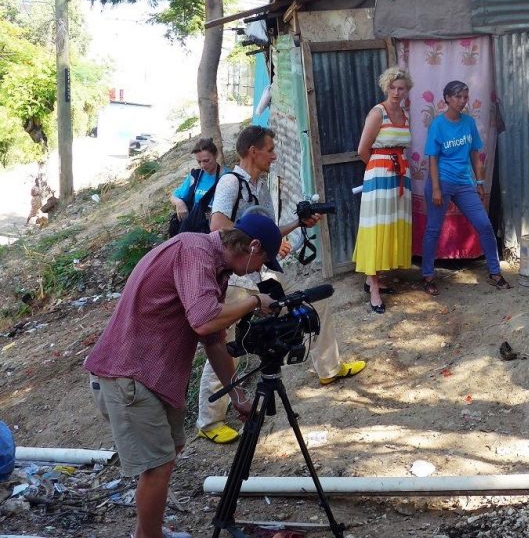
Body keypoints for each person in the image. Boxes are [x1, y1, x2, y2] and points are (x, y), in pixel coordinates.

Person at [85, 212, 283, 538]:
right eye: (262, 262)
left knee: (169, 454)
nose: (258, 271)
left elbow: (213, 340)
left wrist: (236, 394)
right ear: (253, 246)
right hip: (128, 374)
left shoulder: (215, 268)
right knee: (157, 467)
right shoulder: (194, 251)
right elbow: (204, 321)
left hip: (153, 376)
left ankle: (149, 531)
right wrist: (252, 301)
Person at [196, 126, 366, 444]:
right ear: (252, 151)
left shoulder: (260, 185)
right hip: (235, 277)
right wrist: (260, 240)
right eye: (270, 149)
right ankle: (209, 419)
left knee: (315, 302)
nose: (274, 155)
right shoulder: (230, 183)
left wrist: (297, 225)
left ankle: (329, 367)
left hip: (260, 272)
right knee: (226, 343)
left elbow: (266, 230)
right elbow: (217, 227)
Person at [421, 80, 511, 295]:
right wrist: (435, 189)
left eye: (465, 97)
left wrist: (480, 183)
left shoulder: (469, 123)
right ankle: (427, 276)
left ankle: (494, 272)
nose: (462, 101)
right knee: (433, 230)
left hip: (464, 183)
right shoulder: (438, 125)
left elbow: (475, 155)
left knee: (484, 225)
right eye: (458, 97)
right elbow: (432, 159)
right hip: (441, 182)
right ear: (447, 99)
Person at [352, 67, 413, 314]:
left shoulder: (405, 114)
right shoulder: (378, 112)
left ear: (407, 90)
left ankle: (373, 279)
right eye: (393, 88)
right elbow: (362, 150)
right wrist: (379, 169)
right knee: (376, 227)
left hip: (400, 175)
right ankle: (374, 288)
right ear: (385, 88)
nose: (397, 92)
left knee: (391, 225)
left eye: (401, 88)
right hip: (380, 175)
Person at [169, 138, 227, 236]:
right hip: (194, 228)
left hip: (215, 231)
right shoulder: (195, 176)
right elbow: (174, 196)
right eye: (199, 162)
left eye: (206, 160)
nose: (203, 165)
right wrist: (179, 203)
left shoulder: (228, 177)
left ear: (216, 155)